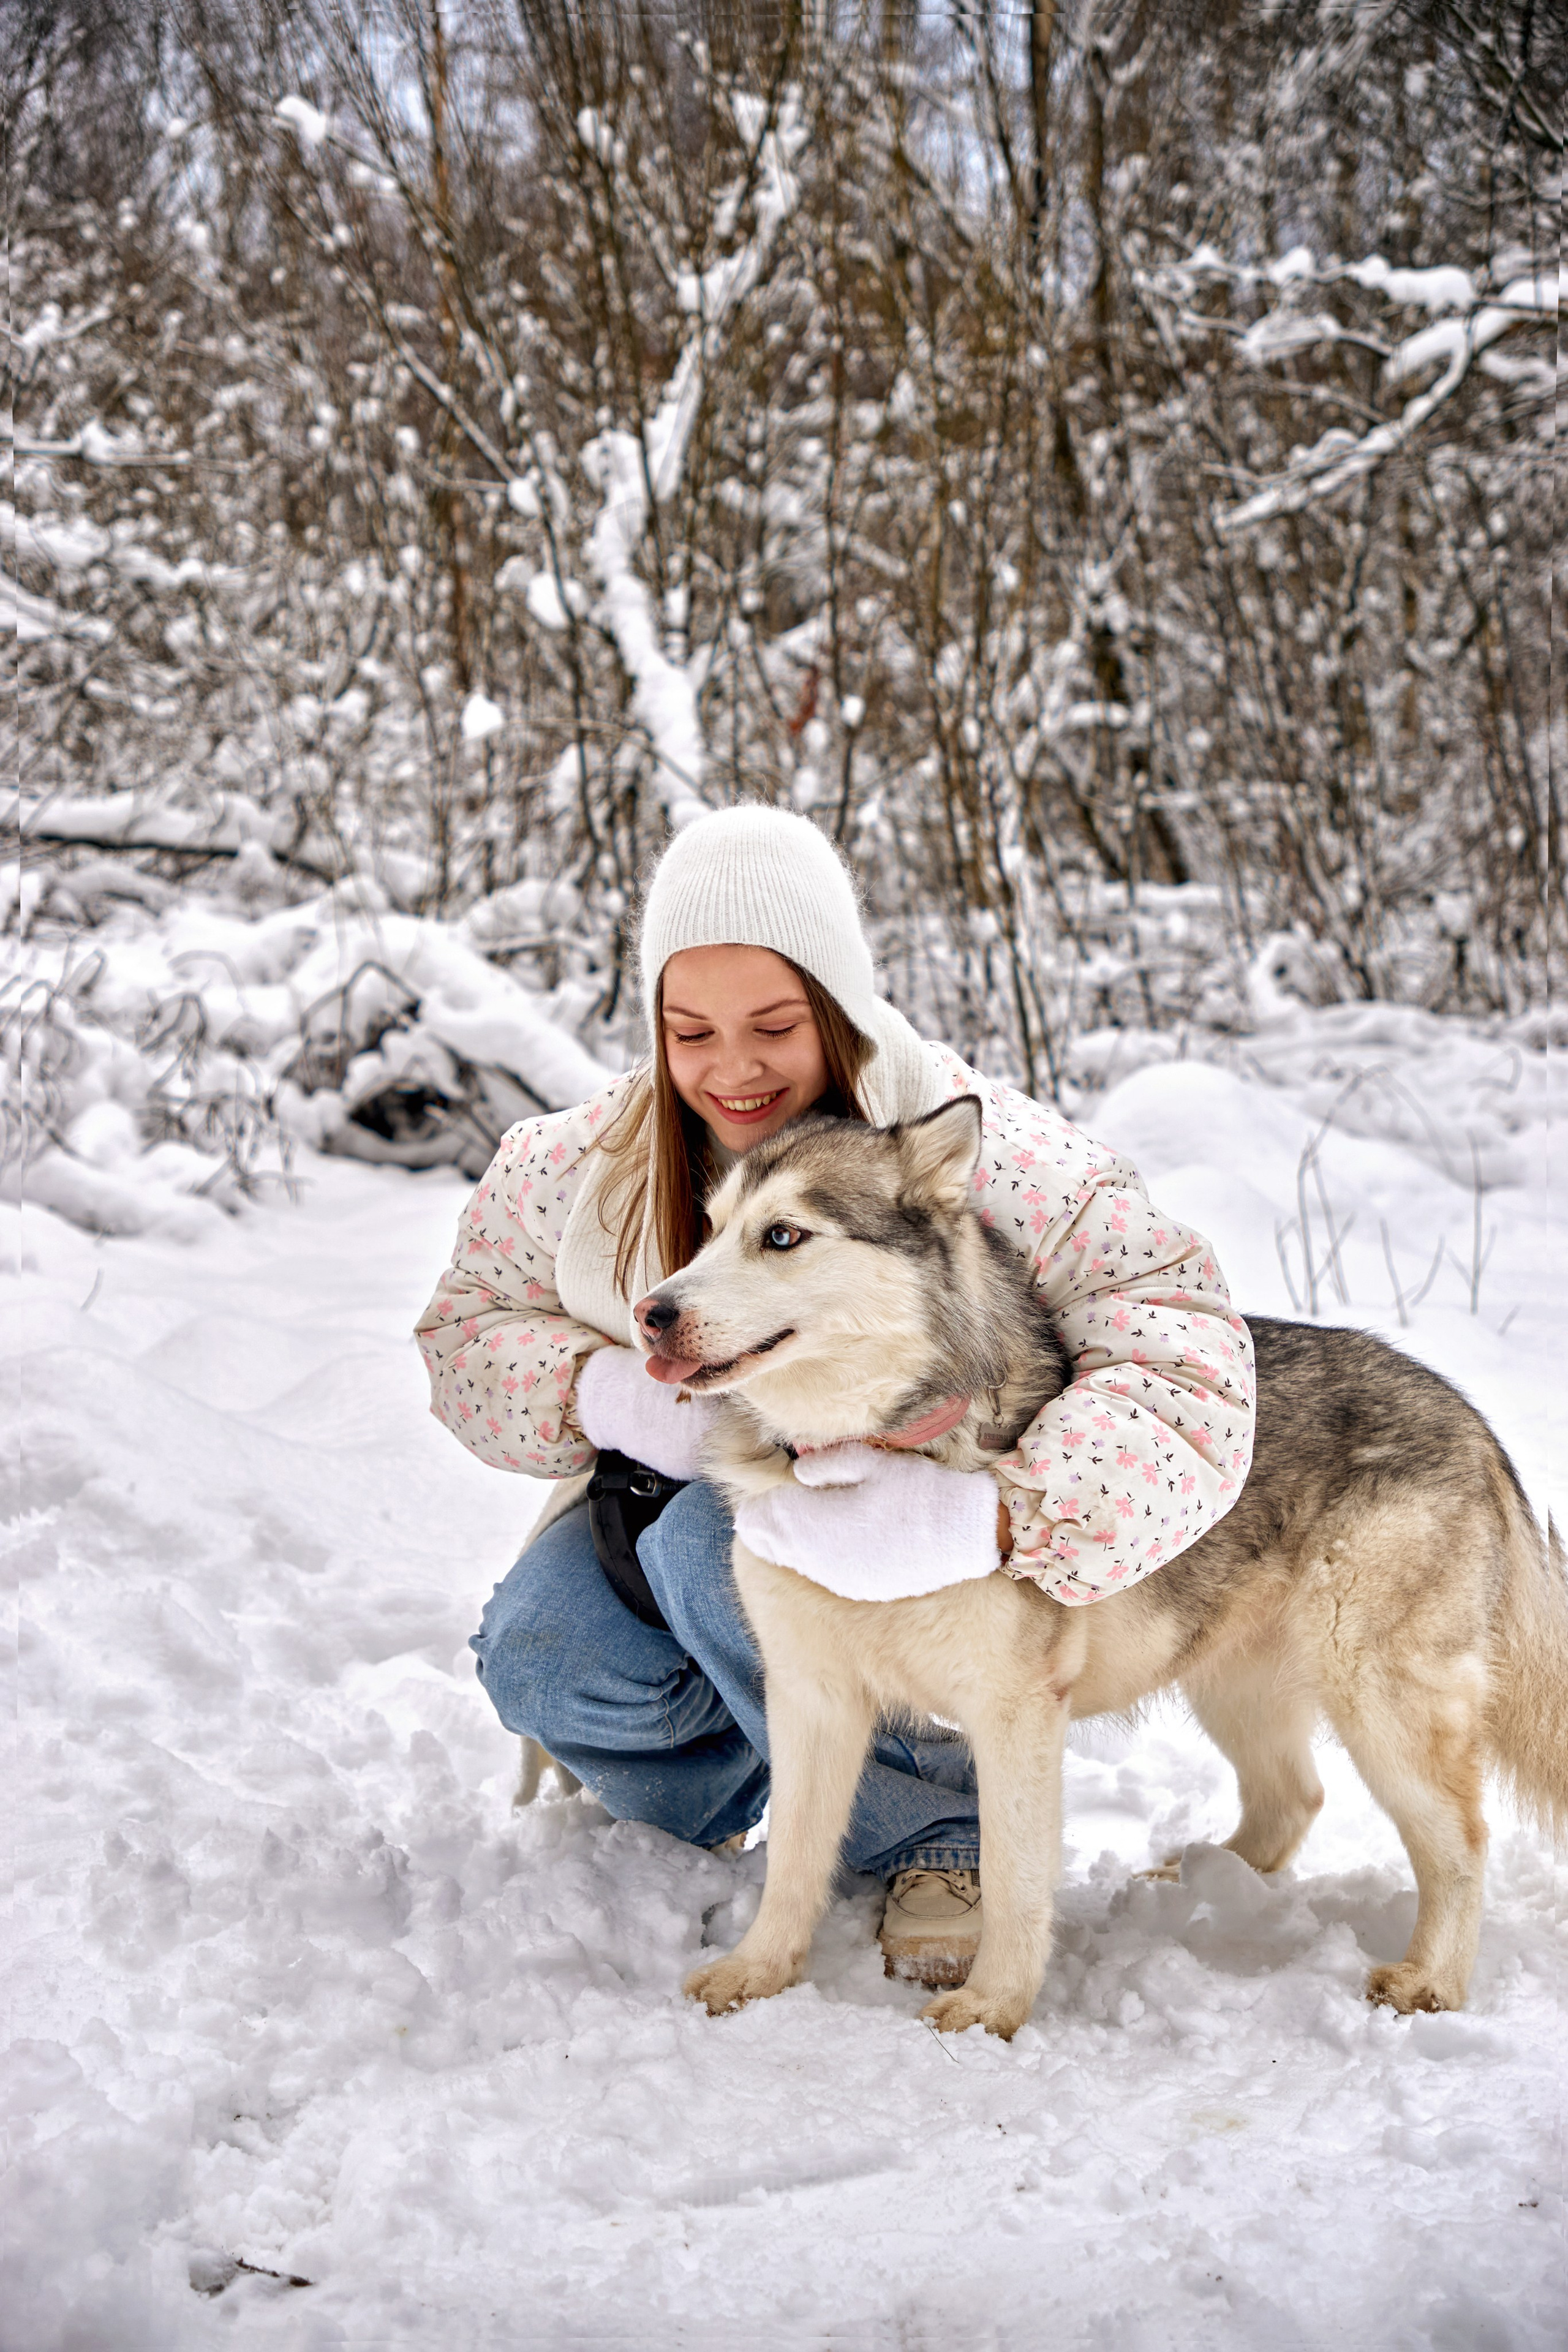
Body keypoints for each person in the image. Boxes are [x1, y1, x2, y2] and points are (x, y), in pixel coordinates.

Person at [415, 807, 1256, 1982]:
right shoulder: (581, 1164)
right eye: (690, 1031)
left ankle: (932, 1828)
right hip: (660, 1495)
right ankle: (758, 1778)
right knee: (544, 1657)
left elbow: (1186, 1351)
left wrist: (1010, 1514)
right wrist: (606, 1397)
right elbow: (463, 1334)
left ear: (842, 1006)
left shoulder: (976, 1147)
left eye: (775, 1025)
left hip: (909, 1491)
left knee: (733, 1544)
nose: (732, 1068)